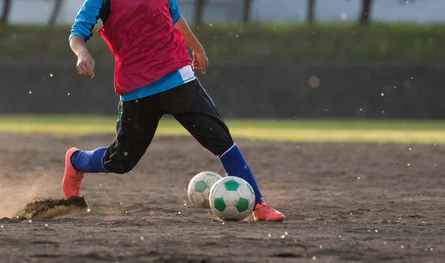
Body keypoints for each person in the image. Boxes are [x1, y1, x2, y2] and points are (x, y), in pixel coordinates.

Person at [65, 0, 285, 222]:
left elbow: (175, 17)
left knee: (221, 140)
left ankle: (258, 205)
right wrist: (81, 52)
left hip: (178, 76)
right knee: (121, 161)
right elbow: (77, 33)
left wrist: (197, 48)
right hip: (136, 88)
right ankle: (76, 160)